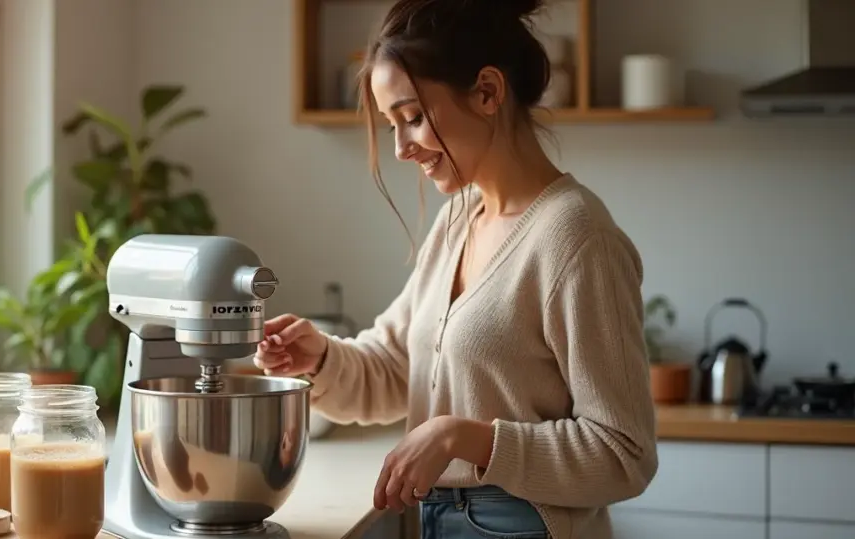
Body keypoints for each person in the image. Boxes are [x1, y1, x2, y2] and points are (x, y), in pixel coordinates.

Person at [254, 0, 658, 537]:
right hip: (441, 519)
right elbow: (399, 369)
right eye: (391, 125)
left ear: (488, 92)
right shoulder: (458, 220)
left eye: (413, 118)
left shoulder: (577, 238)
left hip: (524, 524)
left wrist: (464, 438)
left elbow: (623, 454)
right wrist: (322, 357)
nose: (400, 149)